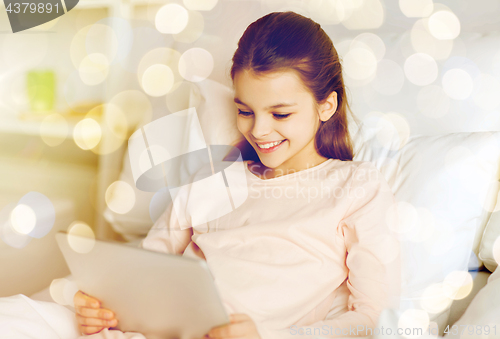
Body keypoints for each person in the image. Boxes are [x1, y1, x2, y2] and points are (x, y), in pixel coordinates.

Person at [74, 11, 401, 339]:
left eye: (280, 113)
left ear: (326, 106)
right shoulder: (212, 177)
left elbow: (371, 317)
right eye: (245, 111)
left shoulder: (356, 186)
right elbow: (147, 271)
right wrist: (103, 309)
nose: (258, 130)